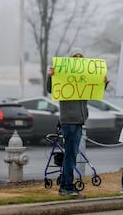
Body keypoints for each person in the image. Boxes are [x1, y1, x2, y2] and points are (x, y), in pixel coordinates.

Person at [46, 47, 109, 199]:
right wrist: (50, 76)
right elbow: (50, 89)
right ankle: (67, 187)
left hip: (79, 121)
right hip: (69, 121)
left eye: (81, 57)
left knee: (71, 155)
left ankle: (65, 186)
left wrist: (104, 83)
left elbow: (95, 90)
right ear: (70, 59)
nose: (78, 59)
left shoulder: (85, 77)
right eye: (75, 57)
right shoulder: (63, 75)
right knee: (70, 155)